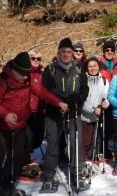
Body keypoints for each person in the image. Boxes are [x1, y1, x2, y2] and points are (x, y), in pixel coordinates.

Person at [0, 52, 67, 196]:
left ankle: (7, 186)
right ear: (14, 70)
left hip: (20, 125)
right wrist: (5, 114)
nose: (25, 78)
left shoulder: (27, 78)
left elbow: (41, 91)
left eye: (27, 75)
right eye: (22, 75)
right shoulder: (1, 81)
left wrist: (58, 102)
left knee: (17, 159)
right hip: (1, 127)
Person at [40, 38, 89, 192]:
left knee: (75, 143)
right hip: (54, 113)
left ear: (72, 53)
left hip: (74, 112)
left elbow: (84, 89)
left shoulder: (79, 68)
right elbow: (45, 90)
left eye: (69, 51)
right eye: (63, 51)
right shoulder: (50, 69)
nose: (66, 54)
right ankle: (49, 176)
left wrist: (77, 99)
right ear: (58, 53)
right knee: (53, 144)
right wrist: (60, 101)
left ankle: (77, 173)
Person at [80, 57, 109, 184]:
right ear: (86, 67)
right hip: (84, 116)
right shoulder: (82, 80)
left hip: (96, 117)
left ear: (99, 67)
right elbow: (81, 101)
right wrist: (92, 109)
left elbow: (105, 97)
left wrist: (105, 103)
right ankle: (81, 165)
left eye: (95, 66)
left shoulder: (103, 80)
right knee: (84, 142)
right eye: (90, 66)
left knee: (91, 141)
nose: (93, 68)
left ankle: (86, 163)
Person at [19, 50, 46, 181]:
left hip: (39, 110)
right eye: (33, 58)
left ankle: (27, 156)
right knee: (27, 138)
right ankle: (21, 165)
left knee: (37, 137)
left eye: (38, 59)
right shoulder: (25, 74)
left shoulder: (42, 74)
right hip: (27, 111)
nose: (36, 60)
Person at [99, 40, 117, 159]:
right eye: (107, 50)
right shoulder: (99, 64)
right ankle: (100, 147)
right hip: (103, 99)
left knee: (111, 126)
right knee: (102, 126)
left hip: (115, 100)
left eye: (112, 50)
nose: (110, 52)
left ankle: (107, 147)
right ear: (104, 51)